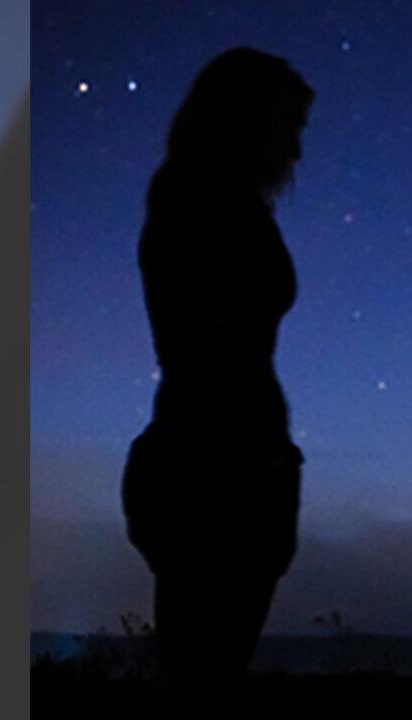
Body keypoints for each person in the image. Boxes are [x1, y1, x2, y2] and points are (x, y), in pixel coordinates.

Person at [120, 48, 314, 715]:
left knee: (198, 685)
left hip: (215, 466)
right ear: (245, 120)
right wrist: (257, 469)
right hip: (218, 472)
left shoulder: (196, 203)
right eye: (287, 125)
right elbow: (218, 352)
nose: (296, 149)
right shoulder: (205, 208)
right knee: (199, 691)